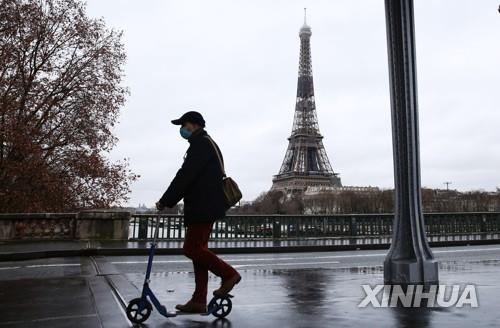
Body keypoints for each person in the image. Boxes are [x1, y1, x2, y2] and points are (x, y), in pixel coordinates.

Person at [156, 111, 241, 313]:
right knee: (198, 251)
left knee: (192, 249)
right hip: (205, 205)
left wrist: (165, 201)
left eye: (183, 125)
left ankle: (229, 274)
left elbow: (185, 177)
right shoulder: (205, 143)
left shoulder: (201, 145)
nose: (181, 130)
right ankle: (199, 300)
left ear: (194, 125)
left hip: (203, 206)